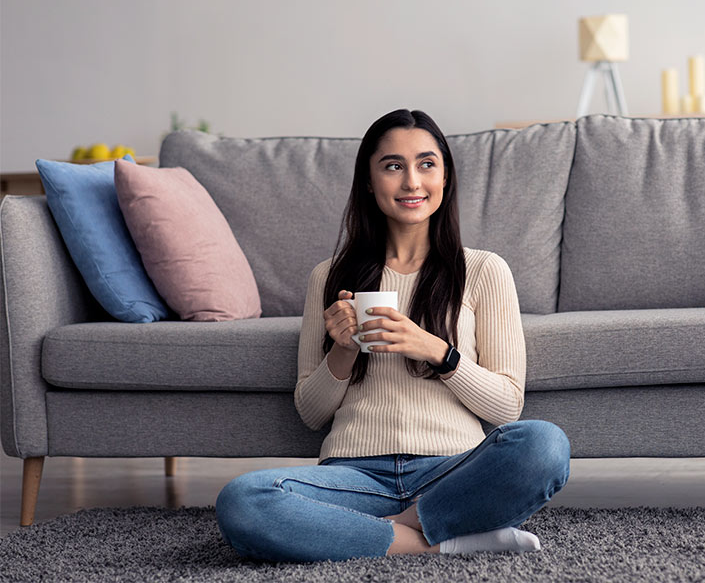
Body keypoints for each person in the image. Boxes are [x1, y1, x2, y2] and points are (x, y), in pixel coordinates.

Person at [215, 108, 571, 563]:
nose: (411, 182)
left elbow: (506, 406)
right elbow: (311, 412)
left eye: (426, 164)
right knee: (244, 500)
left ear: (445, 177)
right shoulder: (328, 276)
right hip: (356, 476)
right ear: (369, 181)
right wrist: (341, 353)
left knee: (544, 445)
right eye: (393, 166)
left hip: (451, 469)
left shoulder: (483, 270)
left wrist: (436, 351)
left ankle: (367, 535)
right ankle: (440, 539)